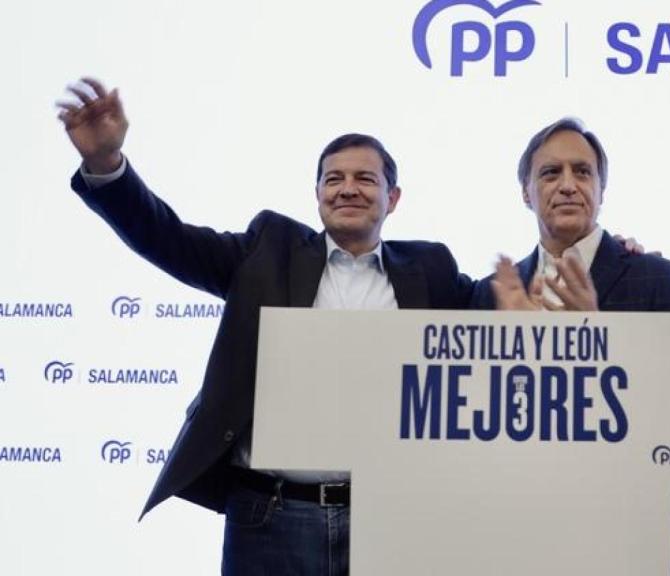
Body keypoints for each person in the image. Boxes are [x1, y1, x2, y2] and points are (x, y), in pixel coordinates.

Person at [58, 78, 473, 575]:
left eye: (365, 179)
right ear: (317, 193)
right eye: (333, 178)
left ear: (393, 197)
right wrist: (107, 165)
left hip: (391, 520)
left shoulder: (431, 269)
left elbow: (496, 318)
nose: (347, 189)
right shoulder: (268, 248)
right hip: (271, 517)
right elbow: (166, 238)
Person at [472, 117, 670, 575]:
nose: (567, 185)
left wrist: (597, 340)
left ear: (601, 189)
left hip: (636, 532)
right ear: (526, 192)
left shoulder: (653, 276)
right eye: (549, 173)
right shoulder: (491, 294)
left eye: (582, 172)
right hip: (527, 534)